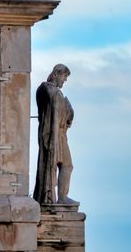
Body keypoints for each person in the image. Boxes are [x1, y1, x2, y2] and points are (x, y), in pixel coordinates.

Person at [33, 64, 77, 204]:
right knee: (67, 165)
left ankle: (58, 196)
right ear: (57, 74)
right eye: (64, 76)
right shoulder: (52, 92)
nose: (65, 80)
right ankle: (62, 197)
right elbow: (55, 116)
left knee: (57, 165)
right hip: (55, 134)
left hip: (53, 133)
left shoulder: (45, 90)